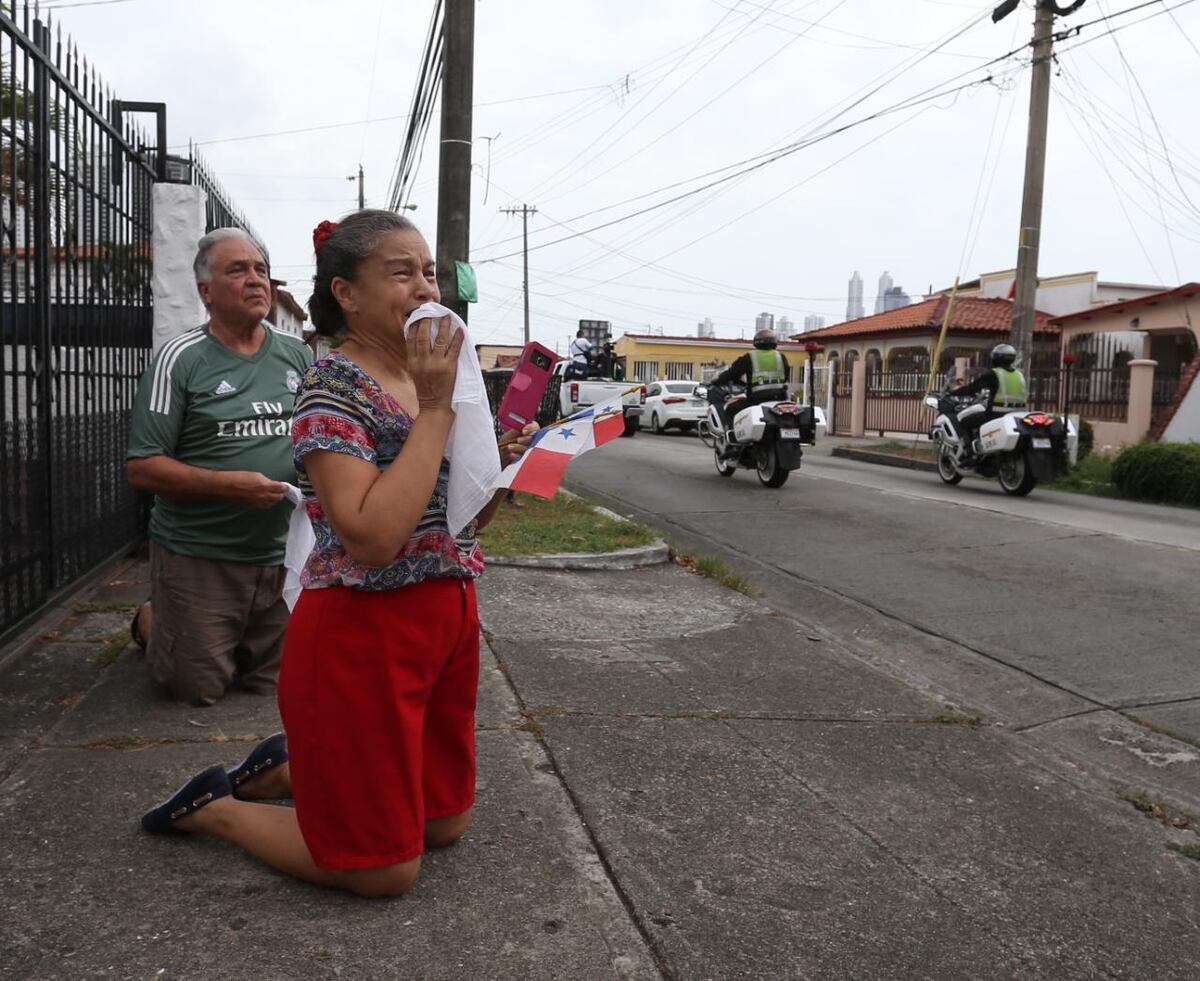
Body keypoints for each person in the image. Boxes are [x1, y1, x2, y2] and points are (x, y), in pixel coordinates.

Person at [139, 210, 537, 900]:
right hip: (362, 631)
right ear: (347, 293)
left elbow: (468, 523)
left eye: (429, 272)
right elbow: (371, 538)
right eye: (401, 271)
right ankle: (219, 808)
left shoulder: (436, 376)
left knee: (444, 823)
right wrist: (439, 415)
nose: (424, 288)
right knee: (383, 867)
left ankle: (297, 770)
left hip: (446, 618)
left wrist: (497, 465)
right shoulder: (331, 389)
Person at [125, 228, 313, 706]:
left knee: (282, 686)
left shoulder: (296, 355)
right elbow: (143, 468)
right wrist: (228, 486)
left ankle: (227, 634)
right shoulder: (179, 360)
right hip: (201, 555)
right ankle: (153, 618)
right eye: (238, 270)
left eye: (261, 270)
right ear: (205, 291)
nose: (256, 281)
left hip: (282, 555)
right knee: (194, 691)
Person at [946, 343, 1028, 451]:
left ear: (995, 358)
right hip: (1018, 415)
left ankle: (969, 452)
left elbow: (972, 388)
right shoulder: (1019, 374)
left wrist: (952, 393)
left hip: (996, 414)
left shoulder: (994, 374)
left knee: (965, 422)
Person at [709, 327, 791, 431]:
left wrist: (717, 380)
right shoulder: (781, 357)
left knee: (730, 408)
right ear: (774, 343)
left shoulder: (750, 357)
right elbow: (786, 376)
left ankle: (733, 439)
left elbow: (732, 373)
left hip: (756, 400)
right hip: (780, 399)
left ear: (756, 343)